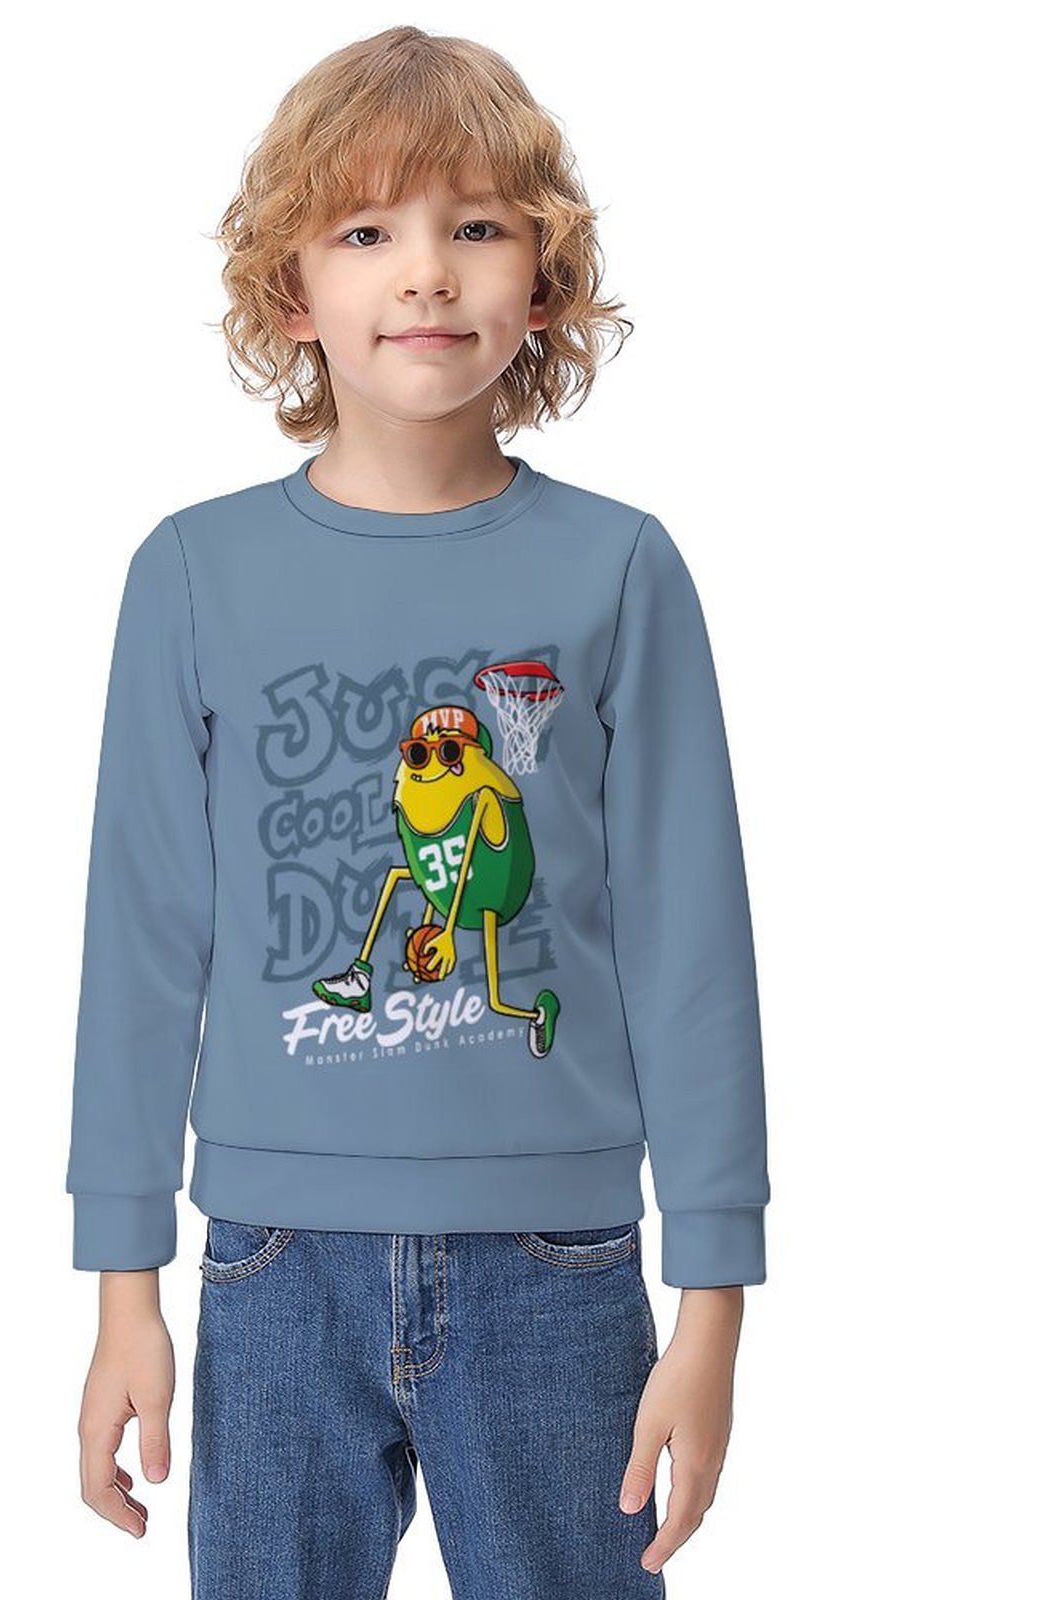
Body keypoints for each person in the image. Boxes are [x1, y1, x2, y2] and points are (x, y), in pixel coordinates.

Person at [65, 25, 770, 1598]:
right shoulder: (192, 575)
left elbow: (691, 941)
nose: (428, 273)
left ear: (546, 280)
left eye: (479, 226)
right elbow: (141, 943)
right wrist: (122, 1284)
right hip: (269, 1261)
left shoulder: (620, 570)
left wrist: (714, 1295)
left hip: (558, 1264)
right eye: (368, 230)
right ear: (289, 290)